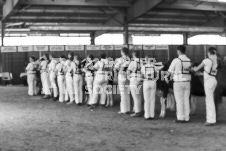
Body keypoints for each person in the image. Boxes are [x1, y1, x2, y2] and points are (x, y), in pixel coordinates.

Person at [193, 47, 218, 126]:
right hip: (213, 80)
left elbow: (196, 69)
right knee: (211, 100)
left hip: (208, 82)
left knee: (209, 101)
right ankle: (212, 119)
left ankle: (210, 120)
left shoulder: (206, 60)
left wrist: (193, 69)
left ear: (208, 52)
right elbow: (210, 72)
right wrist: (201, 74)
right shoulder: (215, 62)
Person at [167, 45, 192, 123]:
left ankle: (180, 118)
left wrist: (166, 78)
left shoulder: (176, 60)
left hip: (178, 82)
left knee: (179, 101)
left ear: (179, 51)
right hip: (187, 82)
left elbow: (169, 71)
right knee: (186, 100)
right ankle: (187, 117)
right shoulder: (188, 60)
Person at [141, 55, 163, 120]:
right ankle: (152, 115)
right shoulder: (154, 66)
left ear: (146, 59)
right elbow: (157, 75)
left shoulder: (143, 67)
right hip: (153, 82)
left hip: (146, 82)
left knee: (147, 99)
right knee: (152, 99)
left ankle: (147, 115)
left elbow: (142, 75)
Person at [114, 47, 131, 115]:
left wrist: (115, 76)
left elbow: (115, 68)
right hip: (128, 77)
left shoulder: (120, 59)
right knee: (127, 93)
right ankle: (128, 109)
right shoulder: (130, 59)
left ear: (122, 52)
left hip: (121, 76)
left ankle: (123, 110)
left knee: (123, 94)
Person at [127, 50, 143, 117]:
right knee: (139, 96)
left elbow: (128, 71)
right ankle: (138, 109)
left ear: (133, 55)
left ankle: (137, 111)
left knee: (135, 96)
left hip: (134, 79)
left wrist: (129, 77)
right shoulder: (141, 61)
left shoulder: (132, 62)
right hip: (140, 79)